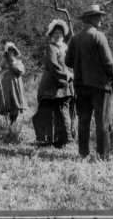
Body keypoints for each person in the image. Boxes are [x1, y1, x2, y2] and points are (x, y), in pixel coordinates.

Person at [65, 4, 113, 160]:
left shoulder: (74, 39)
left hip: (81, 86)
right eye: (98, 16)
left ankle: (83, 153)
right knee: (102, 122)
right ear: (91, 19)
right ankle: (103, 156)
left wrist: (81, 66)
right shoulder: (98, 36)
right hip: (100, 86)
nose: (101, 19)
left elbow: (68, 61)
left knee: (84, 121)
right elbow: (109, 63)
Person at [32, 19, 76, 148]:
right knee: (52, 112)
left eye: (60, 34)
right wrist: (67, 76)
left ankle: (64, 139)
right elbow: (53, 65)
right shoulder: (51, 47)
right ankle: (53, 139)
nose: (58, 36)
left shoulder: (65, 48)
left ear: (63, 36)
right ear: (51, 35)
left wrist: (72, 74)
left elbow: (69, 64)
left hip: (63, 84)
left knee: (62, 111)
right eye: (55, 33)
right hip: (52, 85)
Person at [0, 42, 26, 125]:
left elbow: (21, 71)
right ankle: (8, 123)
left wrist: (12, 62)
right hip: (6, 86)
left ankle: (13, 122)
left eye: (12, 51)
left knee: (15, 103)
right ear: (7, 53)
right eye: (9, 51)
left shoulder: (18, 62)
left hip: (16, 86)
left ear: (15, 53)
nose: (11, 53)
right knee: (7, 103)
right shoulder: (4, 61)